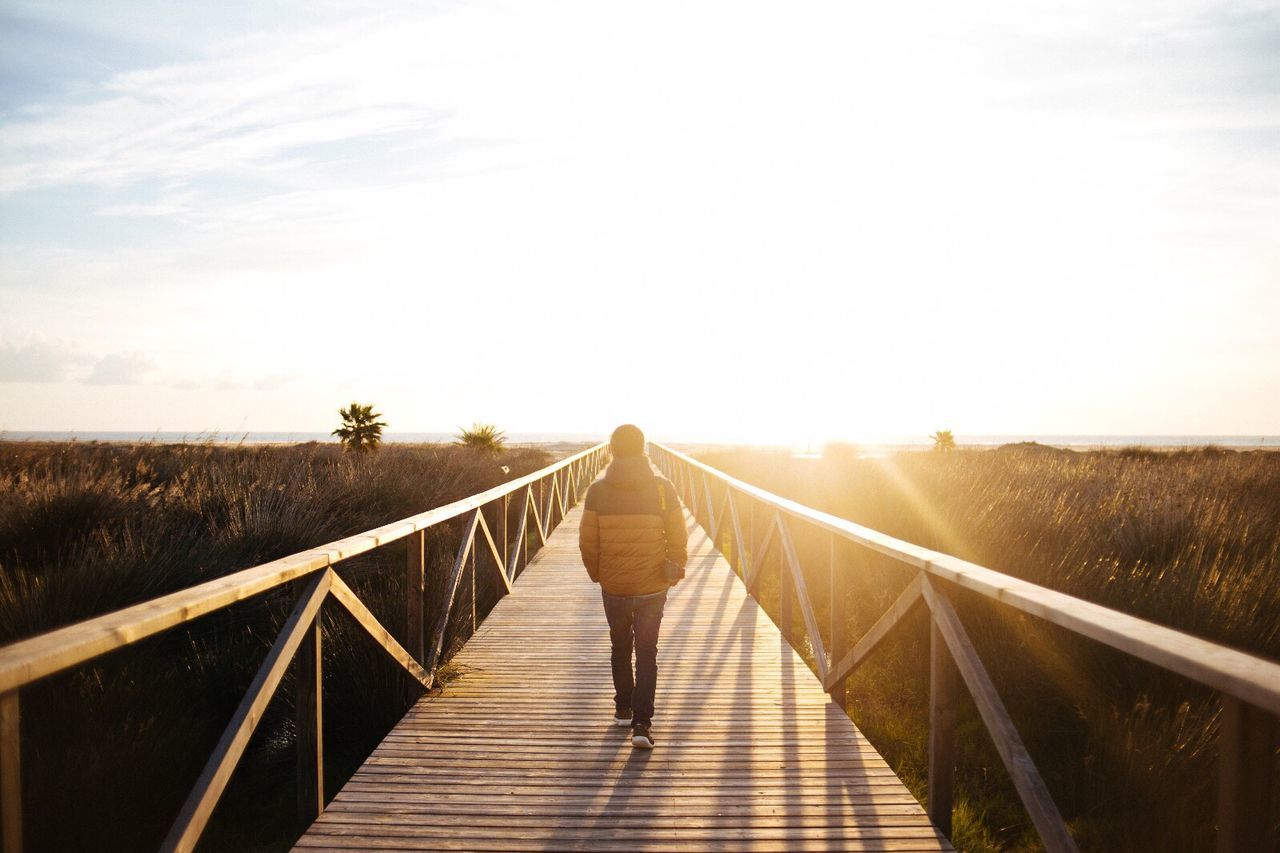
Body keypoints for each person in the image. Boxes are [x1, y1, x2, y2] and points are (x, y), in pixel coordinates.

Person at [579, 424, 688, 749]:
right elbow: (679, 533)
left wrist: (598, 573)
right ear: (643, 449)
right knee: (646, 652)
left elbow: (587, 541)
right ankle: (642, 724)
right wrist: (675, 565)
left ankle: (623, 708)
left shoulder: (597, 491)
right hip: (653, 585)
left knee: (619, 646)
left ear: (612, 449)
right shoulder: (662, 488)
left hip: (614, 586)